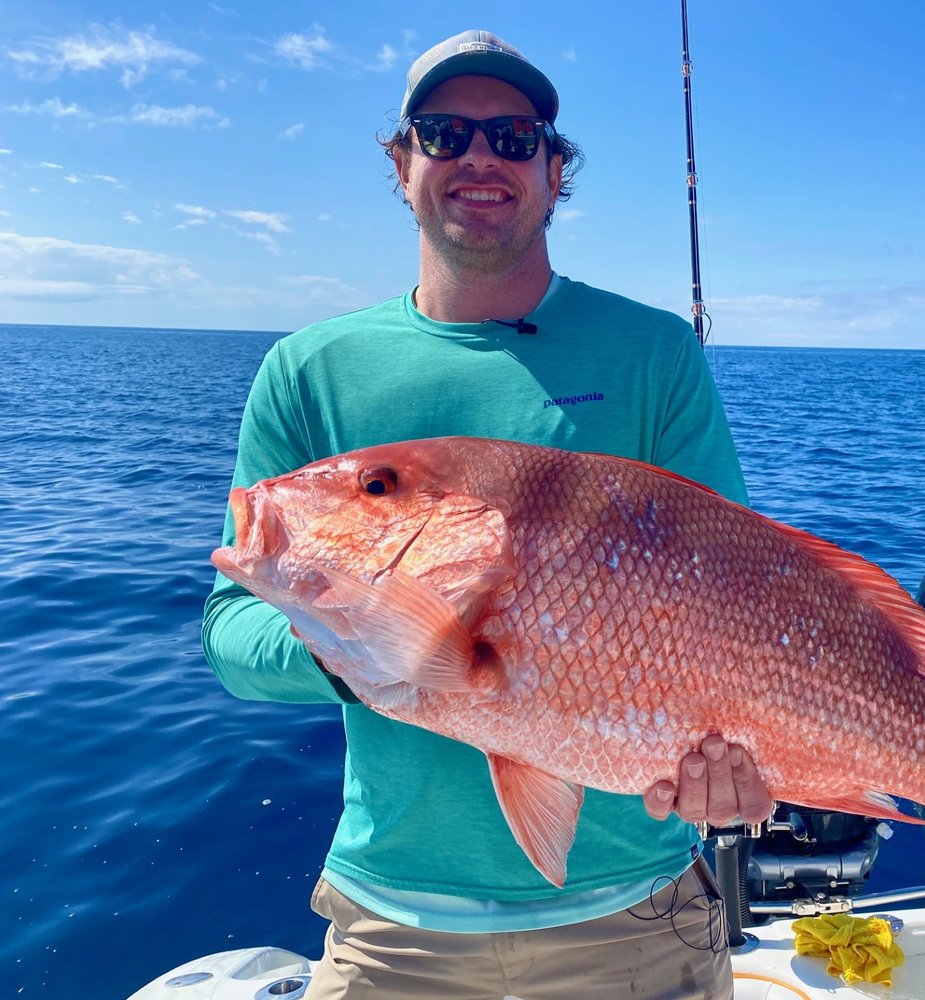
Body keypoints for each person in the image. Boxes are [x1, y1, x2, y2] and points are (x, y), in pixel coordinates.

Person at [201, 28, 773, 1000]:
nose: (478, 157)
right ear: (402, 160)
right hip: (391, 925)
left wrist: (746, 764)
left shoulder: (653, 353)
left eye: (513, 138)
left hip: (635, 916)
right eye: (443, 132)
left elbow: (738, 593)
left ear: (555, 172)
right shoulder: (307, 371)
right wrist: (372, 644)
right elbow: (231, 637)